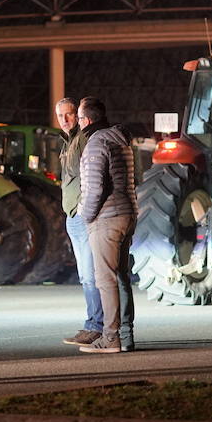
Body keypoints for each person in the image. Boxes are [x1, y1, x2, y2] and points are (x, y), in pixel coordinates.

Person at [75, 97, 136, 353]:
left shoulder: (96, 143)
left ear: (86, 120)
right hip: (127, 213)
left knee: (105, 279)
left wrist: (86, 216)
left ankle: (110, 338)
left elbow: (94, 187)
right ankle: (126, 335)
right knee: (120, 276)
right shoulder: (121, 142)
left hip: (107, 218)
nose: (77, 123)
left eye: (78, 118)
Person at [55, 96, 101, 347]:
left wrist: (84, 210)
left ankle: (96, 326)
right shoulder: (67, 142)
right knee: (86, 275)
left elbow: (91, 177)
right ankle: (95, 323)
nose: (64, 120)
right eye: (60, 115)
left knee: (91, 275)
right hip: (72, 216)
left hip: (82, 216)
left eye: (69, 114)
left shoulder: (83, 139)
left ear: (80, 115)